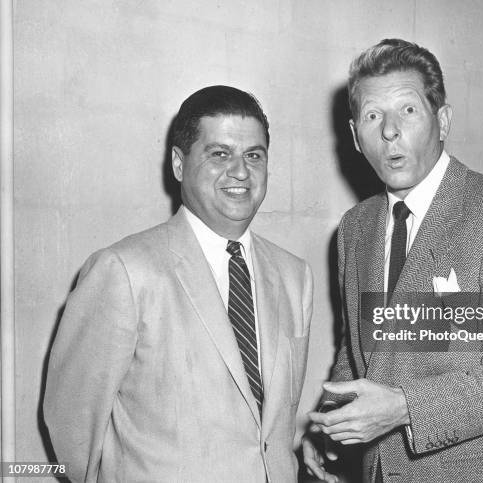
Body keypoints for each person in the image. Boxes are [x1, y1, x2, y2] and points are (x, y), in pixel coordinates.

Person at [303, 39, 483, 483]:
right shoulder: (354, 227)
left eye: (407, 110)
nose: (389, 131)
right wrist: (332, 425)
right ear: (354, 137)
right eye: (372, 116)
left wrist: (403, 407)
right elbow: (360, 352)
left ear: (442, 121)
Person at [44, 85, 313, 482]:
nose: (240, 171)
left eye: (253, 155)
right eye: (219, 153)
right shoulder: (124, 271)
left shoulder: (294, 276)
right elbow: (73, 434)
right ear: (179, 164)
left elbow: (275, 426)